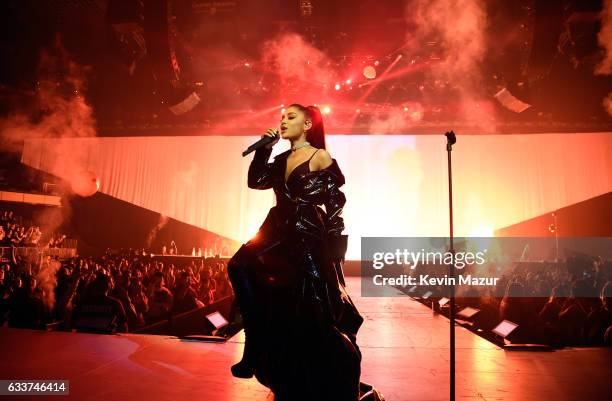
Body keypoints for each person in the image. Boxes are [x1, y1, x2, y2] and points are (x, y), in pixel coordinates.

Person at [228, 104, 382, 401]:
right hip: (276, 228)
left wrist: (337, 246)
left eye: (291, 117)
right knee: (238, 266)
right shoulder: (281, 157)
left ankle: (326, 370)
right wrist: (264, 150)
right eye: (282, 117)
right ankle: (253, 345)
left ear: (308, 124)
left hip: (307, 232)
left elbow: (336, 202)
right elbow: (255, 181)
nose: (283, 121)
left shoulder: (318, 155)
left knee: (314, 303)